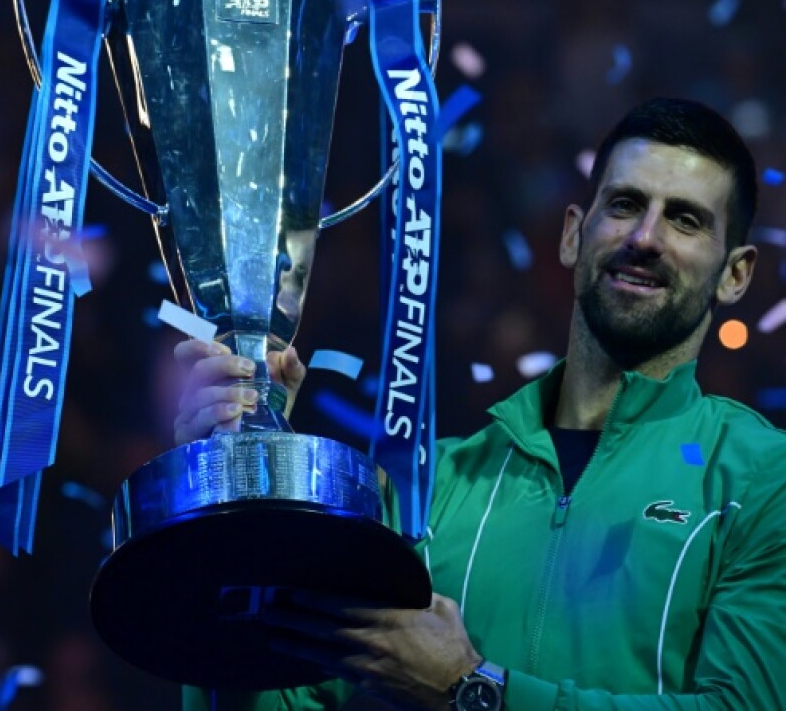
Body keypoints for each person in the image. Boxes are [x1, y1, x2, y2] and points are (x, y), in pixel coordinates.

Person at [174, 97, 786, 710]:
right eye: (625, 205)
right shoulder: (427, 484)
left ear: (736, 275)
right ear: (574, 234)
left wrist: (470, 691)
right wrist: (229, 495)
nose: (645, 238)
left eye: (685, 220)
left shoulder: (761, 480)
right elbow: (284, 693)